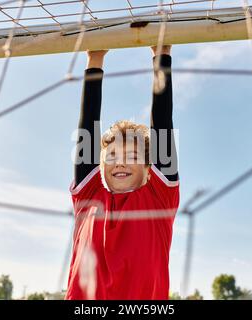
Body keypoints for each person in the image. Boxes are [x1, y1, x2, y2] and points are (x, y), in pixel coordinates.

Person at [65, 45, 179, 300]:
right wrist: (95, 59)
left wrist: (161, 54)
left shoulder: (159, 199)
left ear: (150, 168)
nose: (120, 163)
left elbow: (162, 123)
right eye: (113, 156)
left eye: (132, 156)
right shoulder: (89, 198)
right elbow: (87, 128)